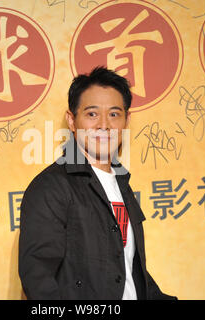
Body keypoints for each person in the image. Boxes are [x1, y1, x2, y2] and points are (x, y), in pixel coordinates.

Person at [18, 66, 177, 300]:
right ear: (71, 120)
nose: (104, 124)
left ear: (126, 120)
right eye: (92, 114)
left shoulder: (121, 184)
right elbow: (38, 281)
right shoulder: (51, 188)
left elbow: (128, 270)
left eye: (114, 114)